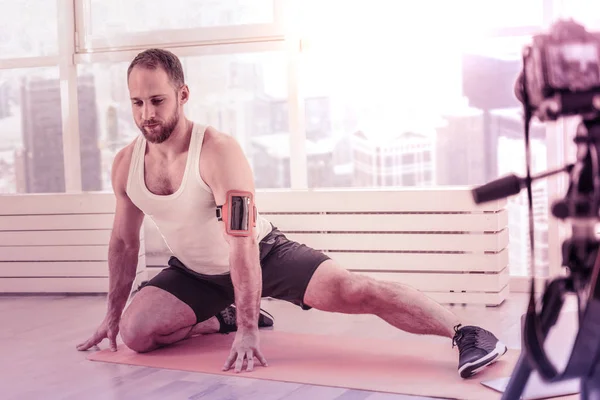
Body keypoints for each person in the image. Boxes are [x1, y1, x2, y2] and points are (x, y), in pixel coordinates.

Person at [77, 48, 508, 379]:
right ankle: (219, 316)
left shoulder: (218, 153)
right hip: (193, 272)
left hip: (263, 254)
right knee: (136, 335)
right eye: (137, 103)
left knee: (355, 291)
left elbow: (242, 242)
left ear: (183, 95)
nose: (147, 115)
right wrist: (112, 316)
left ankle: (466, 332)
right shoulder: (126, 165)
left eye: (157, 100)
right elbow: (124, 243)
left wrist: (250, 331)